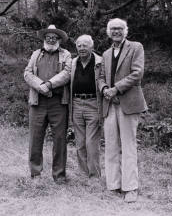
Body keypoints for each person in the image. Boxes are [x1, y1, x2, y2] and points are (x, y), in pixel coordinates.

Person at [98, 18, 148, 202]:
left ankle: (130, 188)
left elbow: (137, 73)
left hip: (129, 104)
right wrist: (104, 89)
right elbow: (101, 77)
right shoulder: (105, 54)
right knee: (111, 145)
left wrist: (116, 88)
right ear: (108, 32)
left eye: (119, 29)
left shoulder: (136, 47)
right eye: (113, 29)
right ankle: (113, 185)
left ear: (125, 31)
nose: (116, 32)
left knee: (128, 147)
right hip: (109, 104)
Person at [48, 35, 102, 178]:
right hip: (76, 104)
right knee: (80, 143)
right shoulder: (72, 63)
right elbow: (63, 77)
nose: (82, 48)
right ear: (76, 48)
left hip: (93, 104)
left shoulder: (100, 62)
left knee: (91, 143)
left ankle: (95, 175)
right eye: (79, 45)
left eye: (85, 45)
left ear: (91, 47)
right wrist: (48, 84)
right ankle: (84, 174)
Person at [24, 25, 71, 184]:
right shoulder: (36, 54)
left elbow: (67, 74)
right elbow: (27, 73)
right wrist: (40, 86)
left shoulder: (66, 54)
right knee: (35, 138)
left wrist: (49, 84)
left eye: (54, 37)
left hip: (58, 103)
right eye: (48, 37)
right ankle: (35, 174)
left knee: (59, 139)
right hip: (37, 102)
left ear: (58, 39)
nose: (51, 40)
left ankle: (59, 176)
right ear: (44, 39)